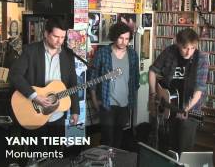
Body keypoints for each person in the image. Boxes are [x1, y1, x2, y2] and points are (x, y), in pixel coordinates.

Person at [9, 17, 79, 151]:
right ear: (46, 34)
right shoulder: (31, 51)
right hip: (34, 113)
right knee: (37, 155)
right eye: (55, 36)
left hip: (57, 115)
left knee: (57, 154)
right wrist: (34, 96)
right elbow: (14, 75)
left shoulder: (68, 56)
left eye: (63, 37)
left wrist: (75, 111)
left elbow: (72, 83)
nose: (59, 41)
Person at [148, 28, 209, 153]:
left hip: (190, 109)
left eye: (192, 48)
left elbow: (199, 90)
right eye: (185, 48)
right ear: (178, 43)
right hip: (168, 107)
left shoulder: (201, 59)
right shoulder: (169, 52)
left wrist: (186, 109)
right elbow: (153, 71)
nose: (188, 52)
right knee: (168, 146)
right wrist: (153, 94)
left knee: (184, 149)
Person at [90, 22, 140, 148]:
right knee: (107, 138)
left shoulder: (133, 54)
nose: (124, 42)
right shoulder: (103, 52)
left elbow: (135, 78)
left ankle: (114, 161)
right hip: (107, 103)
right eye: (121, 38)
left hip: (125, 103)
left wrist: (132, 98)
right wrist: (95, 99)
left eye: (127, 39)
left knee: (119, 137)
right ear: (114, 36)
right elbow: (93, 76)